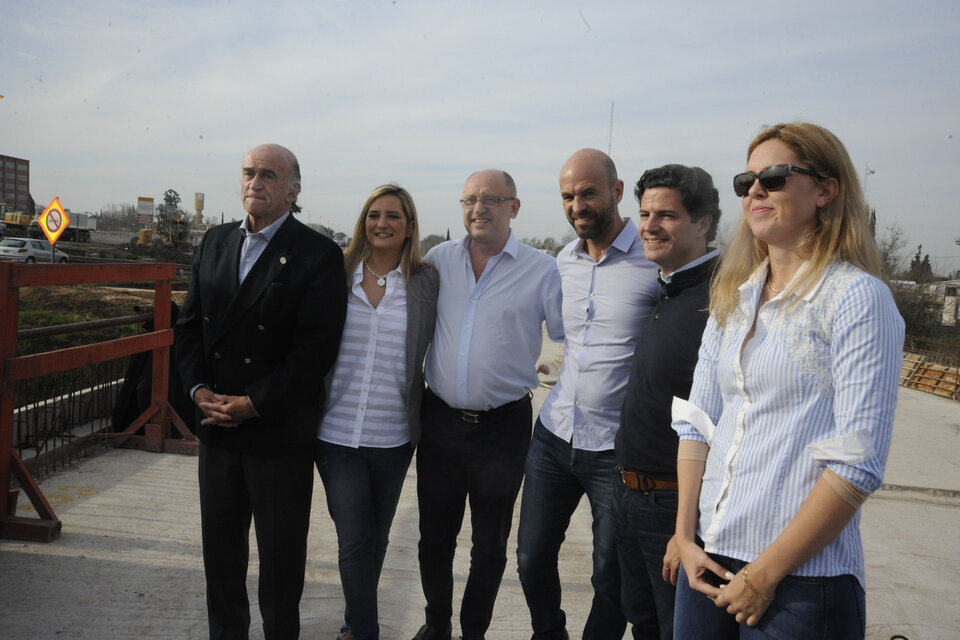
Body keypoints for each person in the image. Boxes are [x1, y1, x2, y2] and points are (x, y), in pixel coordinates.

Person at [672, 123, 905, 639]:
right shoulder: (733, 296)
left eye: (774, 177)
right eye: (746, 180)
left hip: (801, 581)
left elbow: (857, 461)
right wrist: (684, 535)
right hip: (708, 560)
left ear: (826, 190)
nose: (755, 190)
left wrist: (766, 573)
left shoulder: (856, 299)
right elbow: (698, 422)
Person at [175, 143, 347, 639]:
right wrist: (197, 389)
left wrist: (254, 403)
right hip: (218, 428)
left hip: (277, 433)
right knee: (221, 560)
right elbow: (188, 329)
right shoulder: (215, 242)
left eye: (269, 175)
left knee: (280, 564)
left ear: (294, 190)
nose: (255, 182)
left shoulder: (317, 255)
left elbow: (314, 352)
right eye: (249, 172)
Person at [412, 169, 564, 640]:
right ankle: (436, 625)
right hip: (439, 421)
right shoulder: (438, 260)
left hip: (503, 429)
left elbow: (570, 339)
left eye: (491, 200)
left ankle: (473, 631)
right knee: (434, 538)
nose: (478, 208)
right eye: (469, 200)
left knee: (490, 544)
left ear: (514, 208)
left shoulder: (543, 269)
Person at [516, 148, 659, 640]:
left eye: (588, 192)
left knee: (609, 576)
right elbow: (567, 339)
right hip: (553, 437)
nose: (577, 204)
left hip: (616, 450)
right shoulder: (564, 261)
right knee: (531, 559)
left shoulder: (653, 261)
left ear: (617, 193)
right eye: (567, 196)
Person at [317, 184, 438, 640]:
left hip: (394, 436)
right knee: (356, 539)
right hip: (335, 432)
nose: (382, 224)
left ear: (409, 228)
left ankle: (353, 625)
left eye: (393, 216)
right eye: (374, 215)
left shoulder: (426, 282)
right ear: (362, 222)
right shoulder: (337, 271)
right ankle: (366, 632)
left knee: (377, 538)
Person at [613, 164, 721, 640]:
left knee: (676, 628)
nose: (650, 225)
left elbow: (725, 420)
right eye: (644, 213)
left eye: (667, 215)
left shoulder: (721, 298)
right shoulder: (666, 287)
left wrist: (687, 530)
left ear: (705, 223)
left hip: (674, 506)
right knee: (643, 621)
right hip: (630, 496)